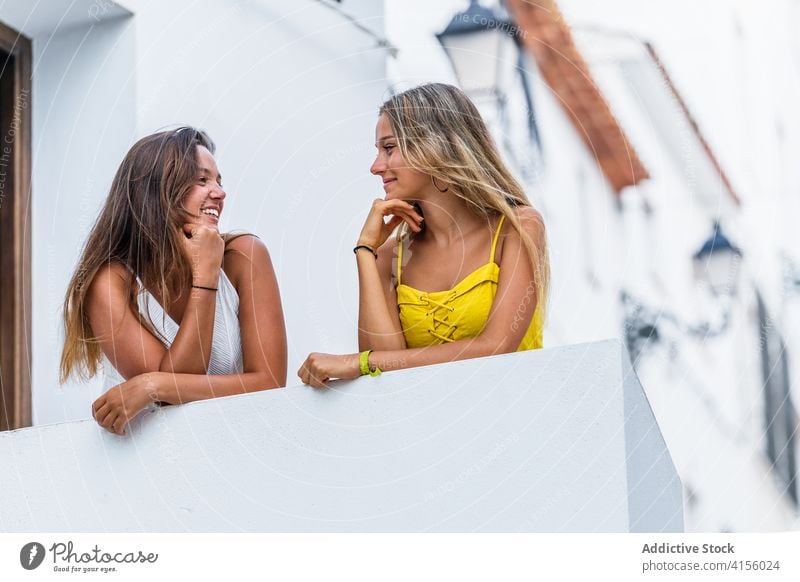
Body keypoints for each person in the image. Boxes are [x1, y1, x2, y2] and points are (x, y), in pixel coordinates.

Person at [297, 83, 548, 387]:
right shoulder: (390, 256)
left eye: (389, 148)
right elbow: (389, 379)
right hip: (431, 427)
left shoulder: (517, 226)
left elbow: (496, 347)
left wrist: (361, 362)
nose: (376, 167)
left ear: (435, 146)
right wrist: (365, 251)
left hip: (515, 416)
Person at [60, 127, 287, 434]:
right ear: (156, 191)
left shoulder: (244, 256)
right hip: (149, 462)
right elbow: (176, 399)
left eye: (219, 181)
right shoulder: (110, 281)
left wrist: (153, 385)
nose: (219, 193)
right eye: (201, 179)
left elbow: (269, 382)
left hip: (237, 445)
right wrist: (204, 277)